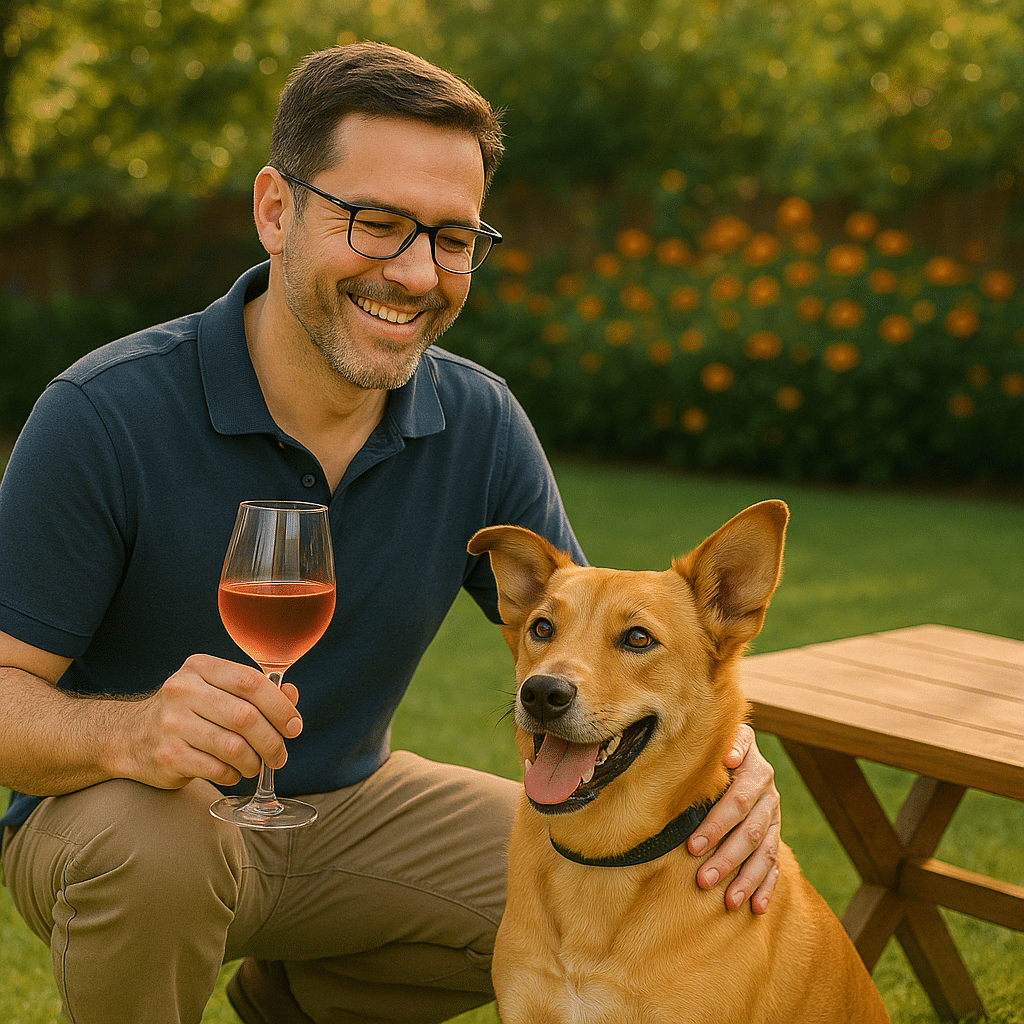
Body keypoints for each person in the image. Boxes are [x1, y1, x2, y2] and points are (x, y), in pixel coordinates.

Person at [0, 42, 781, 1024]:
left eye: (453, 238)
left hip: (349, 810)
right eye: (376, 223)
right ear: (276, 210)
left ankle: (305, 995)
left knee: (611, 868)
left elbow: (605, 635)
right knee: (160, 842)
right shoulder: (104, 412)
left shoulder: (478, 420)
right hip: (119, 814)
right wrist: (134, 729)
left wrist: (733, 768)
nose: (415, 273)